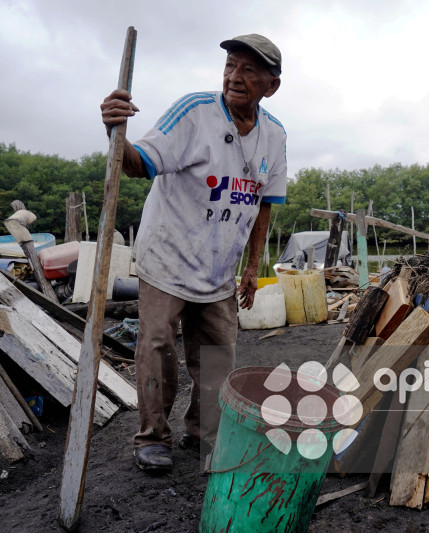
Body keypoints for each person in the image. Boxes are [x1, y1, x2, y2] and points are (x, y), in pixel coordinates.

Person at [100, 34, 287, 472]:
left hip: (219, 269)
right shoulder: (194, 112)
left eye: (248, 70)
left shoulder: (274, 136)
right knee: (157, 344)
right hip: (167, 257)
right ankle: (152, 437)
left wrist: (252, 267)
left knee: (218, 355)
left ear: (271, 86)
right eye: (230, 66)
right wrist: (115, 132)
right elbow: (138, 163)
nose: (234, 77)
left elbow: (265, 204)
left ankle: (202, 435)